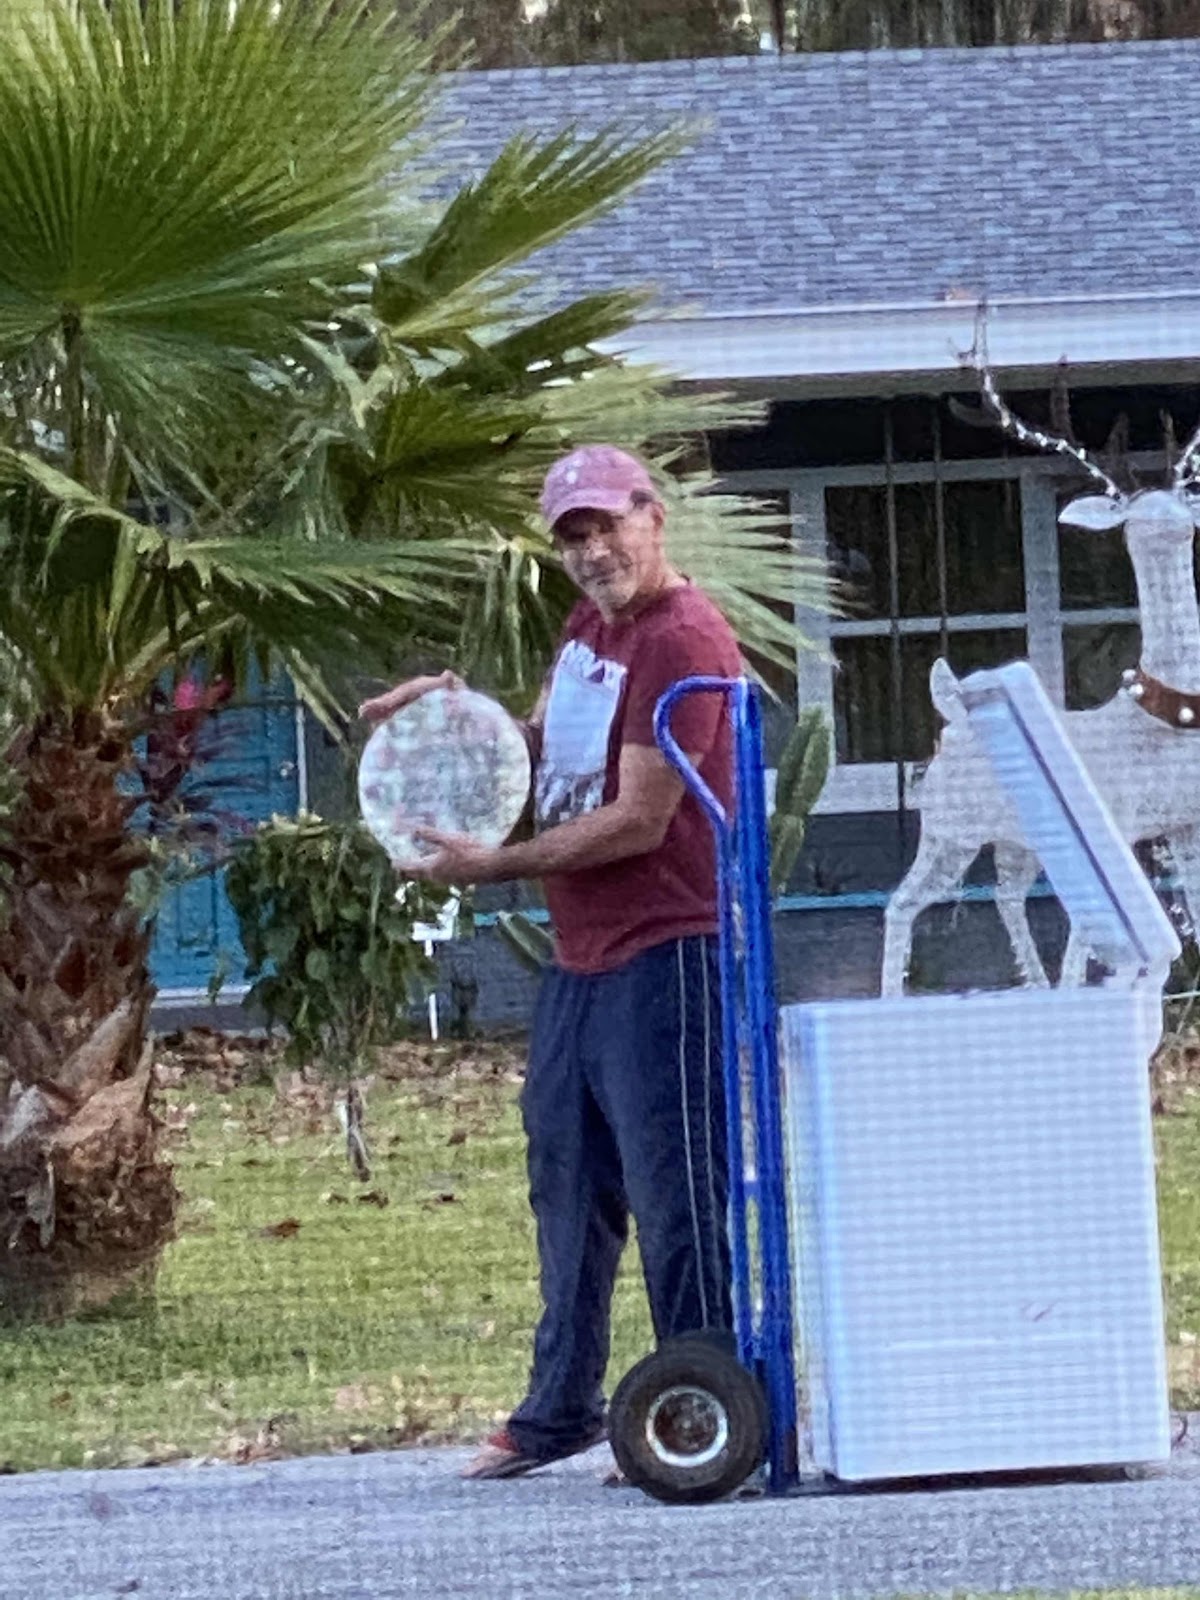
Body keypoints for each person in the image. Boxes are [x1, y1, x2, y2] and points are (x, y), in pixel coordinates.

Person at [359, 444, 742, 1480]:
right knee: (568, 1181)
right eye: (573, 535)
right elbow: (545, 751)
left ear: (653, 516)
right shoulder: (588, 629)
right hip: (583, 954)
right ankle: (562, 1408)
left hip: (670, 949)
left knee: (677, 1192)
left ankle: (703, 1406)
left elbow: (638, 818)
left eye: (607, 525)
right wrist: (453, 717)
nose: (593, 550)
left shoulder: (682, 637)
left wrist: (493, 866)